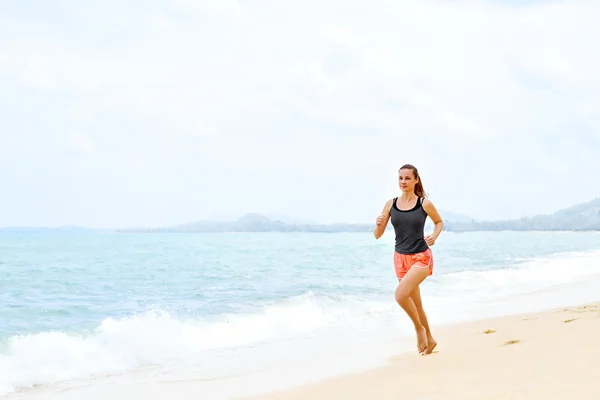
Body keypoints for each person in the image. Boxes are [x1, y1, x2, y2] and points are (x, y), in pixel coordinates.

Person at [373, 164, 444, 355]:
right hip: (400, 258)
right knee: (416, 303)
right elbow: (377, 235)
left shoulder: (424, 204)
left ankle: (419, 330)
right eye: (400, 178)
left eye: (407, 178)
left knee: (400, 295)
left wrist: (434, 237)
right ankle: (430, 340)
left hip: (421, 257)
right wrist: (378, 224)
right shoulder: (391, 204)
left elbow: (439, 222)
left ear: (416, 180)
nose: (403, 182)